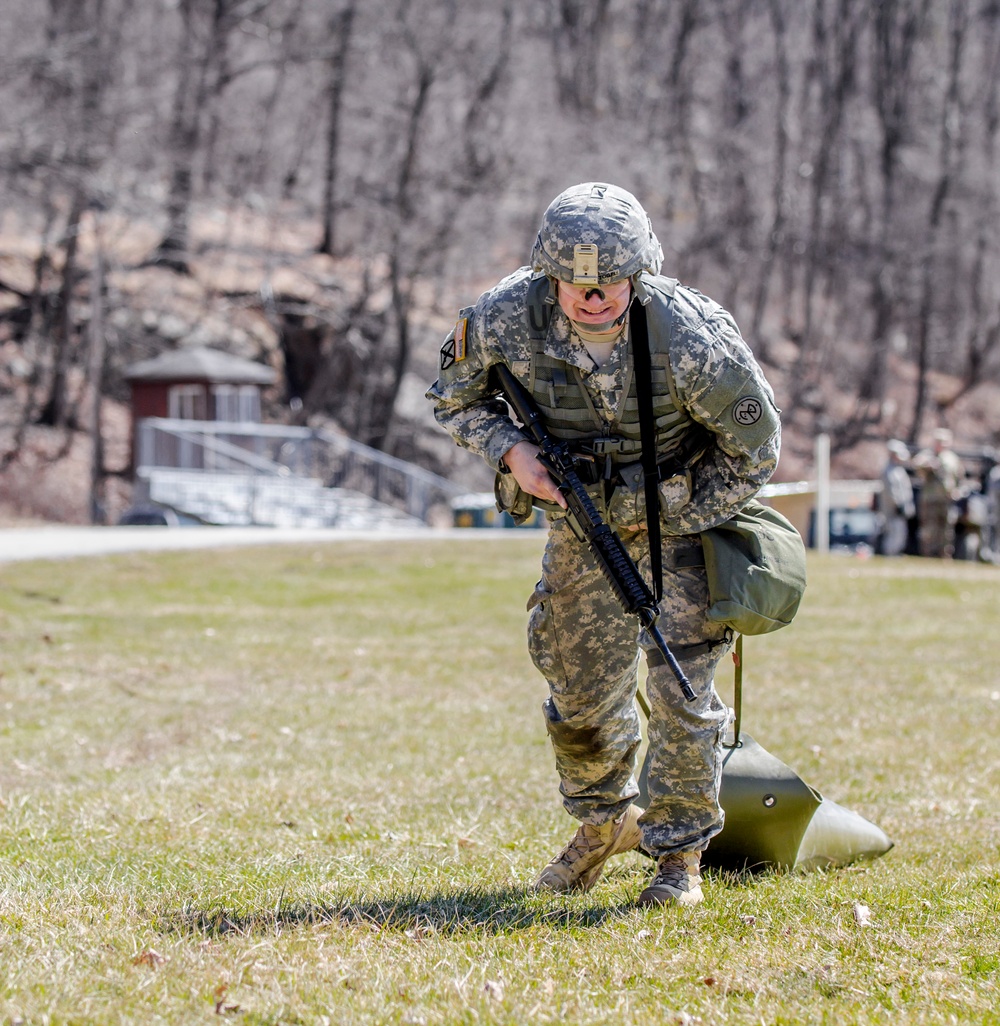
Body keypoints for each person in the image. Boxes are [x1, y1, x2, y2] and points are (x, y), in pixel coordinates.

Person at [426, 183, 780, 907]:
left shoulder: (690, 338)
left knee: (682, 689)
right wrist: (510, 452)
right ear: (548, 274)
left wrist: (675, 510)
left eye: (611, 281)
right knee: (577, 685)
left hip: (676, 520)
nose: (594, 297)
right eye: (578, 284)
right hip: (578, 523)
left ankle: (679, 858)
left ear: (640, 270)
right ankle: (603, 825)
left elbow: (755, 449)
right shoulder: (503, 319)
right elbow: (452, 397)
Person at [913, 428, 963, 558]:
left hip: (947, 499)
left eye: (945, 441)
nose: (942, 444)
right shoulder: (928, 455)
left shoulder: (952, 459)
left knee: (947, 528)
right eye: (939, 441)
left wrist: (957, 491)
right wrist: (929, 465)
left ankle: (945, 554)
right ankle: (928, 554)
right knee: (930, 528)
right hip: (930, 499)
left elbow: (959, 478)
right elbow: (916, 465)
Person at [877, 440, 915, 556]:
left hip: (901, 509)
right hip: (893, 511)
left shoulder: (898, 470)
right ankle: (890, 554)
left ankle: (896, 553)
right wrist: (898, 505)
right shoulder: (889, 471)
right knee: (894, 533)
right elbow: (891, 492)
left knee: (900, 533)